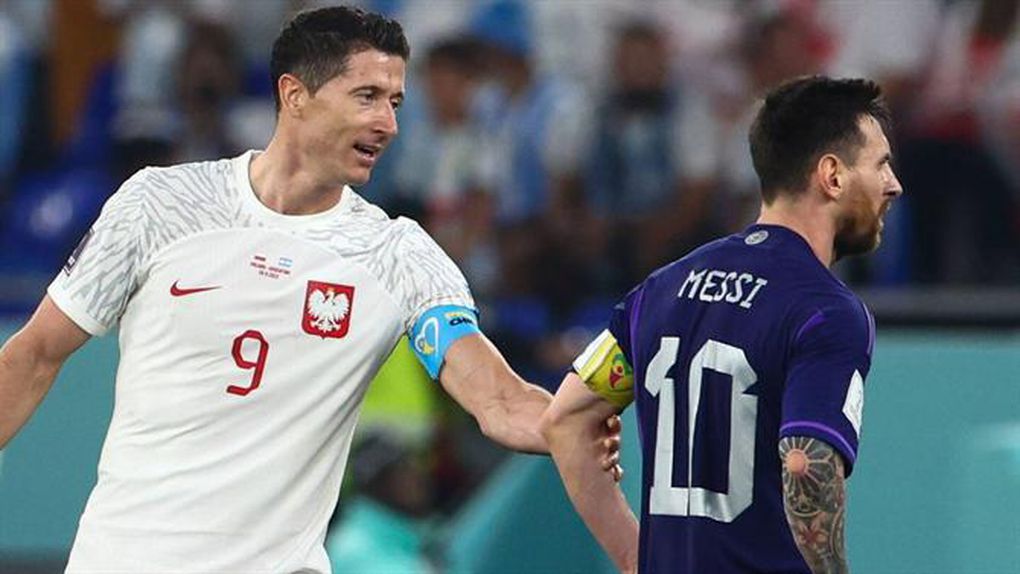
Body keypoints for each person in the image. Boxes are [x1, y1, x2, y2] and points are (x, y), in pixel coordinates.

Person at [0, 6, 619, 573]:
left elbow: (497, 399)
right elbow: (33, 355)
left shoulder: (398, 256)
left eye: (396, 102)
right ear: (294, 95)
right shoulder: (159, 204)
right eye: (367, 97)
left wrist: (564, 422)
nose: (388, 123)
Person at [541, 75, 903, 573]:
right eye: (881, 164)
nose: (894, 184)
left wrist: (636, 557)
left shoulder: (660, 291)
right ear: (832, 176)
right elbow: (806, 465)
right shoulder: (826, 311)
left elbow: (565, 420)